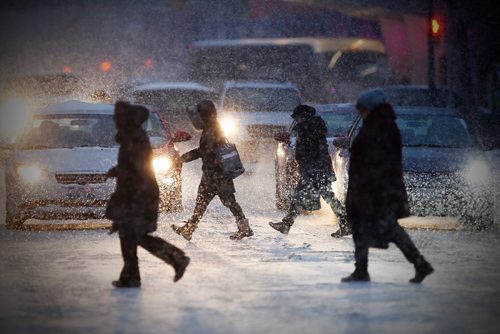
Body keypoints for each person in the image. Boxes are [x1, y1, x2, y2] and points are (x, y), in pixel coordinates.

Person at [342, 89, 433, 283]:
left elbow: (376, 159)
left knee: (376, 227)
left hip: (375, 190)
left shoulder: (379, 127)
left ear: (370, 109)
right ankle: (418, 264)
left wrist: (367, 185)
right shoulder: (379, 125)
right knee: (373, 228)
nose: (360, 113)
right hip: (376, 187)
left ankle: (363, 270)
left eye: (362, 109)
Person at [106, 101, 190, 288]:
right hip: (137, 193)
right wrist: (118, 171)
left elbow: (136, 169)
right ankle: (131, 276)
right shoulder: (132, 136)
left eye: (117, 117)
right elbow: (132, 166)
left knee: (136, 235)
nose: (114, 120)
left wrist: (121, 174)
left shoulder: (133, 138)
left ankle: (176, 259)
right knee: (129, 234)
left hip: (140, 195)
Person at [171, 100, 253, 241]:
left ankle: (190, 229)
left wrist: (182, 159)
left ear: (204, 115)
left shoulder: (211, 130)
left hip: (215, 174)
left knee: (211, 202)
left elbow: (204, 151)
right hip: (217, 173)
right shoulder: (213, 127)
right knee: (220, 202)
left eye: (199, 114)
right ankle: (243, 227)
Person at [269, 104, 350, 237]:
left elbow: (306, 150)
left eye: (298, 118)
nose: (297, 120)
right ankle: (344, 224)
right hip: (319, 167)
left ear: (303, 117)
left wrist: (306, 165)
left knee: (300, 196)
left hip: (312, 169)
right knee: (328, 196)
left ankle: (286, 224)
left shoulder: (306, 128)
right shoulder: (315, 127)